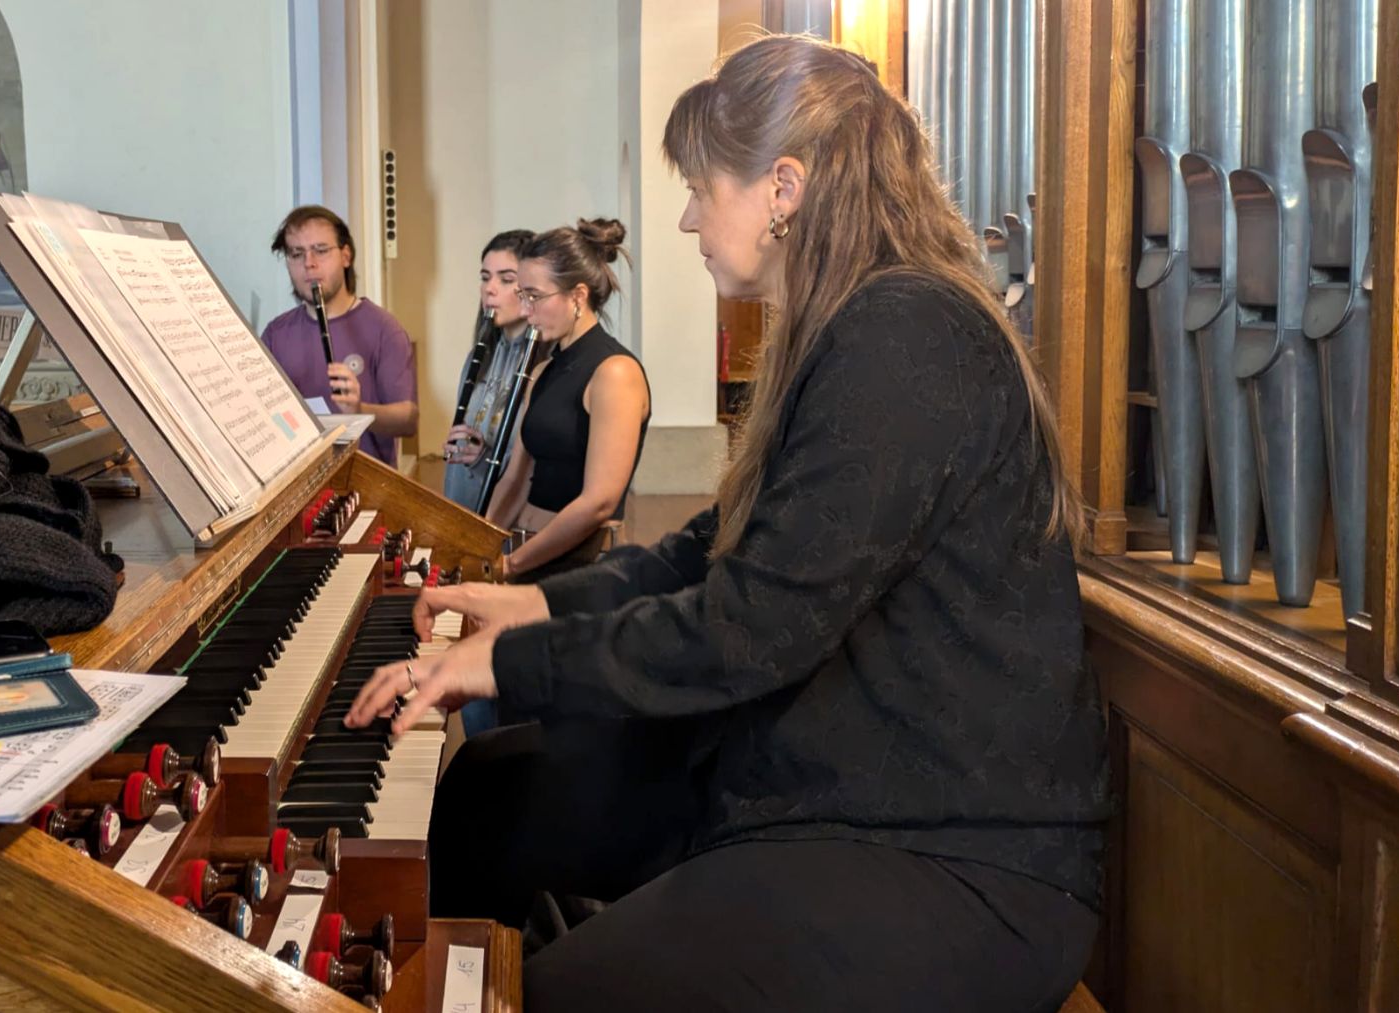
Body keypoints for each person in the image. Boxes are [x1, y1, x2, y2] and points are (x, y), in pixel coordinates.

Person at [346, 35, 1109, 1012]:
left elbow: (750, 625)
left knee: (561, 994)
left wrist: (509, 663)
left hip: (950, 847)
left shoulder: (907, 333)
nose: (686, 216)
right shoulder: (846, 325)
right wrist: (531, 600)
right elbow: (703, 551)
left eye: (703, 188)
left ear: (782, 188)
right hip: (823, 775)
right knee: (487, 799)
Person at [483, 219, 650, 583]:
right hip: (526, 552)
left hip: (579, 566)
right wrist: (477, 545)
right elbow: (516, 479)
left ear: (577, 296)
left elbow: (599, 502)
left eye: (534, 296)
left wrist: (515, 564)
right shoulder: (543, 372)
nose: (526, 311)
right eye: (522, 296)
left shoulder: (615, 372)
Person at [260, 205, 418, 466]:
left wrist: (360, 411)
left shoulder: (384, 328)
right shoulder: (275, 334)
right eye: (296, 253)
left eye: (320, 251)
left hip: (364, 485)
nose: (308, 263)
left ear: (346, 256)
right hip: (300, 485)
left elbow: (408, 419)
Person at [442, 229, 539, 515]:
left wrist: (484, 457)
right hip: (464, 509)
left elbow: (532, 468)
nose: (489, 289)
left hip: (506, 520)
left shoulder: (544, 365)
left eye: (506, 279)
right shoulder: (479, 357)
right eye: (485, 278)